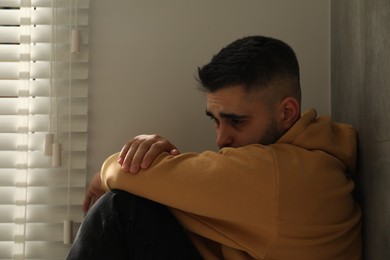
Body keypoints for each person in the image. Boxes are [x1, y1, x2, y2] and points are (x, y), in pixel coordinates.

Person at [67, 36, 362, 259]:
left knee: (120, 210)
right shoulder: (313, 161)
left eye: (236, 121)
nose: (222, 139)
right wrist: (167, 164)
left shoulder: (276, 174)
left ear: (286, 113)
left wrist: (103, 174)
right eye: (216, 121)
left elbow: (127, 175)